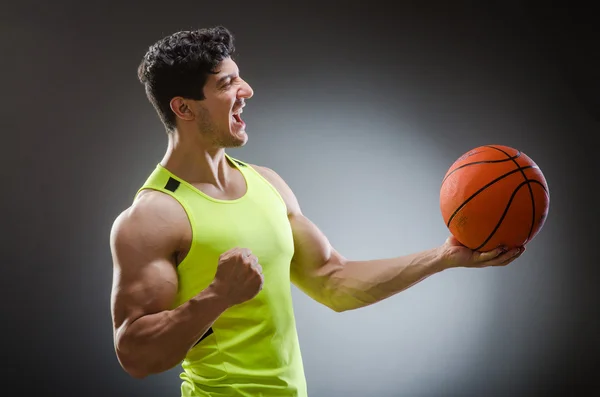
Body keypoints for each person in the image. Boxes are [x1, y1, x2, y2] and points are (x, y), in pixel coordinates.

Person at [109, 26, 525, 397]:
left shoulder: (268, 184)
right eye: (227, 83)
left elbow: (333, 281)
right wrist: (218, 296)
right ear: (184, 108)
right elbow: (136, 355)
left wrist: (444, 257)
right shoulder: (153, 216)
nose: (247, 90)